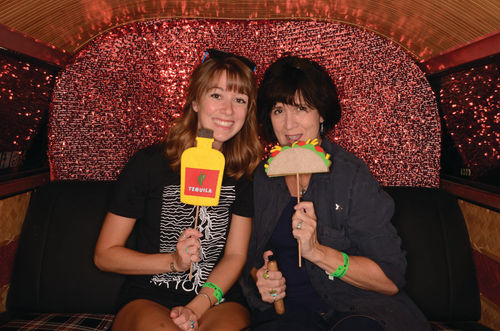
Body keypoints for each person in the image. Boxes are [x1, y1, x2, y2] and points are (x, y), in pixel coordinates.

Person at [239, 56, 431, 331]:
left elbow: (390, 279)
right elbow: (249, 258)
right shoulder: (262, 177)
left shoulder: (351, 176)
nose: (289, 125)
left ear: (322, 114)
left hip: (357, 309)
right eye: (279, 110)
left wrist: (317, 252)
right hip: (289, 315)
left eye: (301, 108)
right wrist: (262, 277)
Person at [94, 50, 262, 331]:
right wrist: (173, 261)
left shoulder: (244, 174)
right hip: (149, 296)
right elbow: (105, 255)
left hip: (216, 298)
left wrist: (198, 304)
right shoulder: (149, 163)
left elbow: (235, 256)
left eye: (240, 100)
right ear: (195, 101)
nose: (228, 110)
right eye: (216, 95)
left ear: (248, 111)